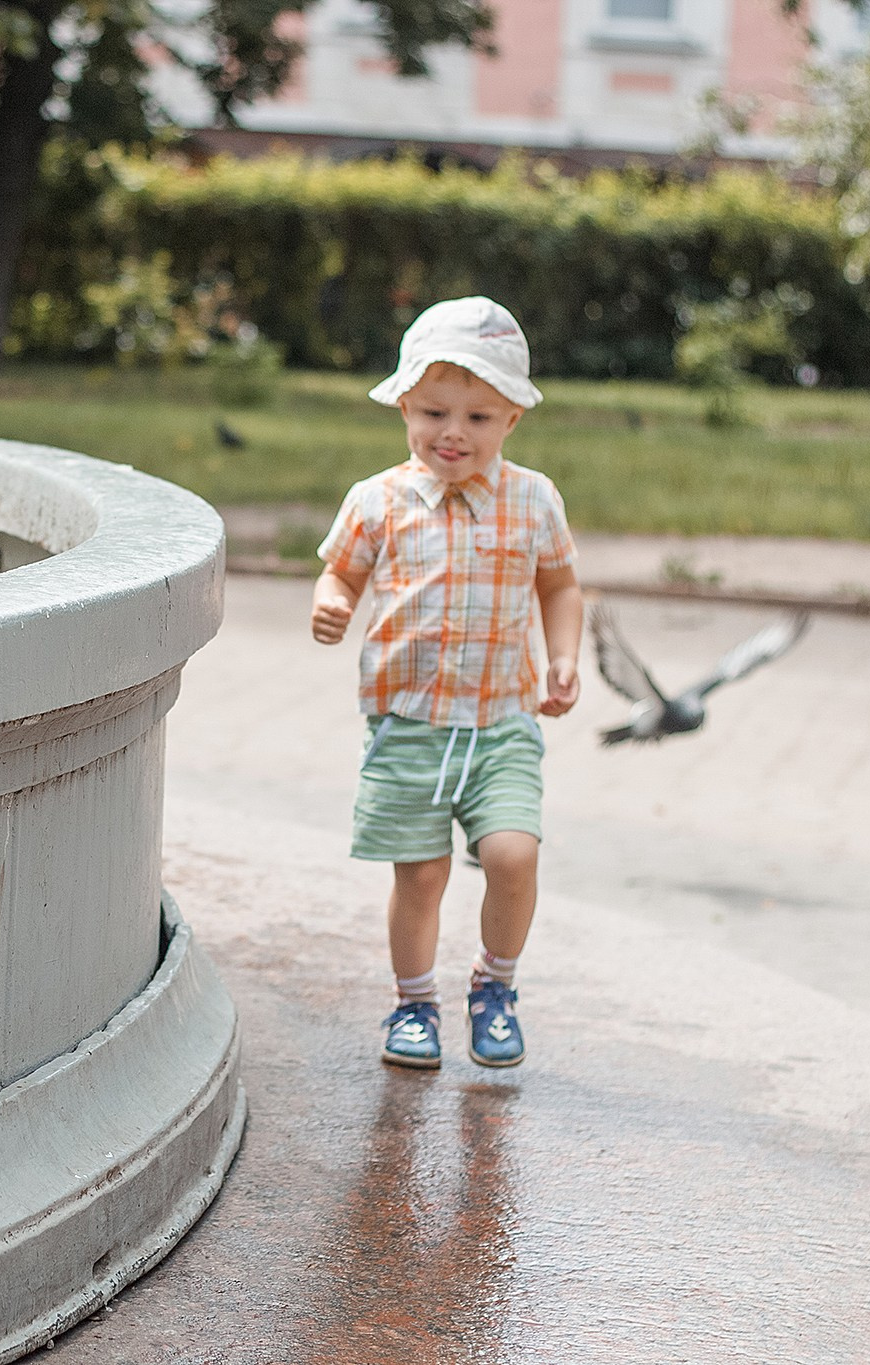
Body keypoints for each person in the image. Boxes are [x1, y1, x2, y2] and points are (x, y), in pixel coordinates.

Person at [310, 296, 584, 1070]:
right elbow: (341, 573)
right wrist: (331, 605)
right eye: (434, 412)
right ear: (403, 405)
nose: (454, 433)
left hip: (501, 722)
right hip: (408, 722)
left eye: (479, 417)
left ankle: (495, 986)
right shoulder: (378, 500)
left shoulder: (534, 499)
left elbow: (561, 586)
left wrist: (564, 657)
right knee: (422, 873)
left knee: (512, 855)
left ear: (513, 421)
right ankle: (414, 1003)